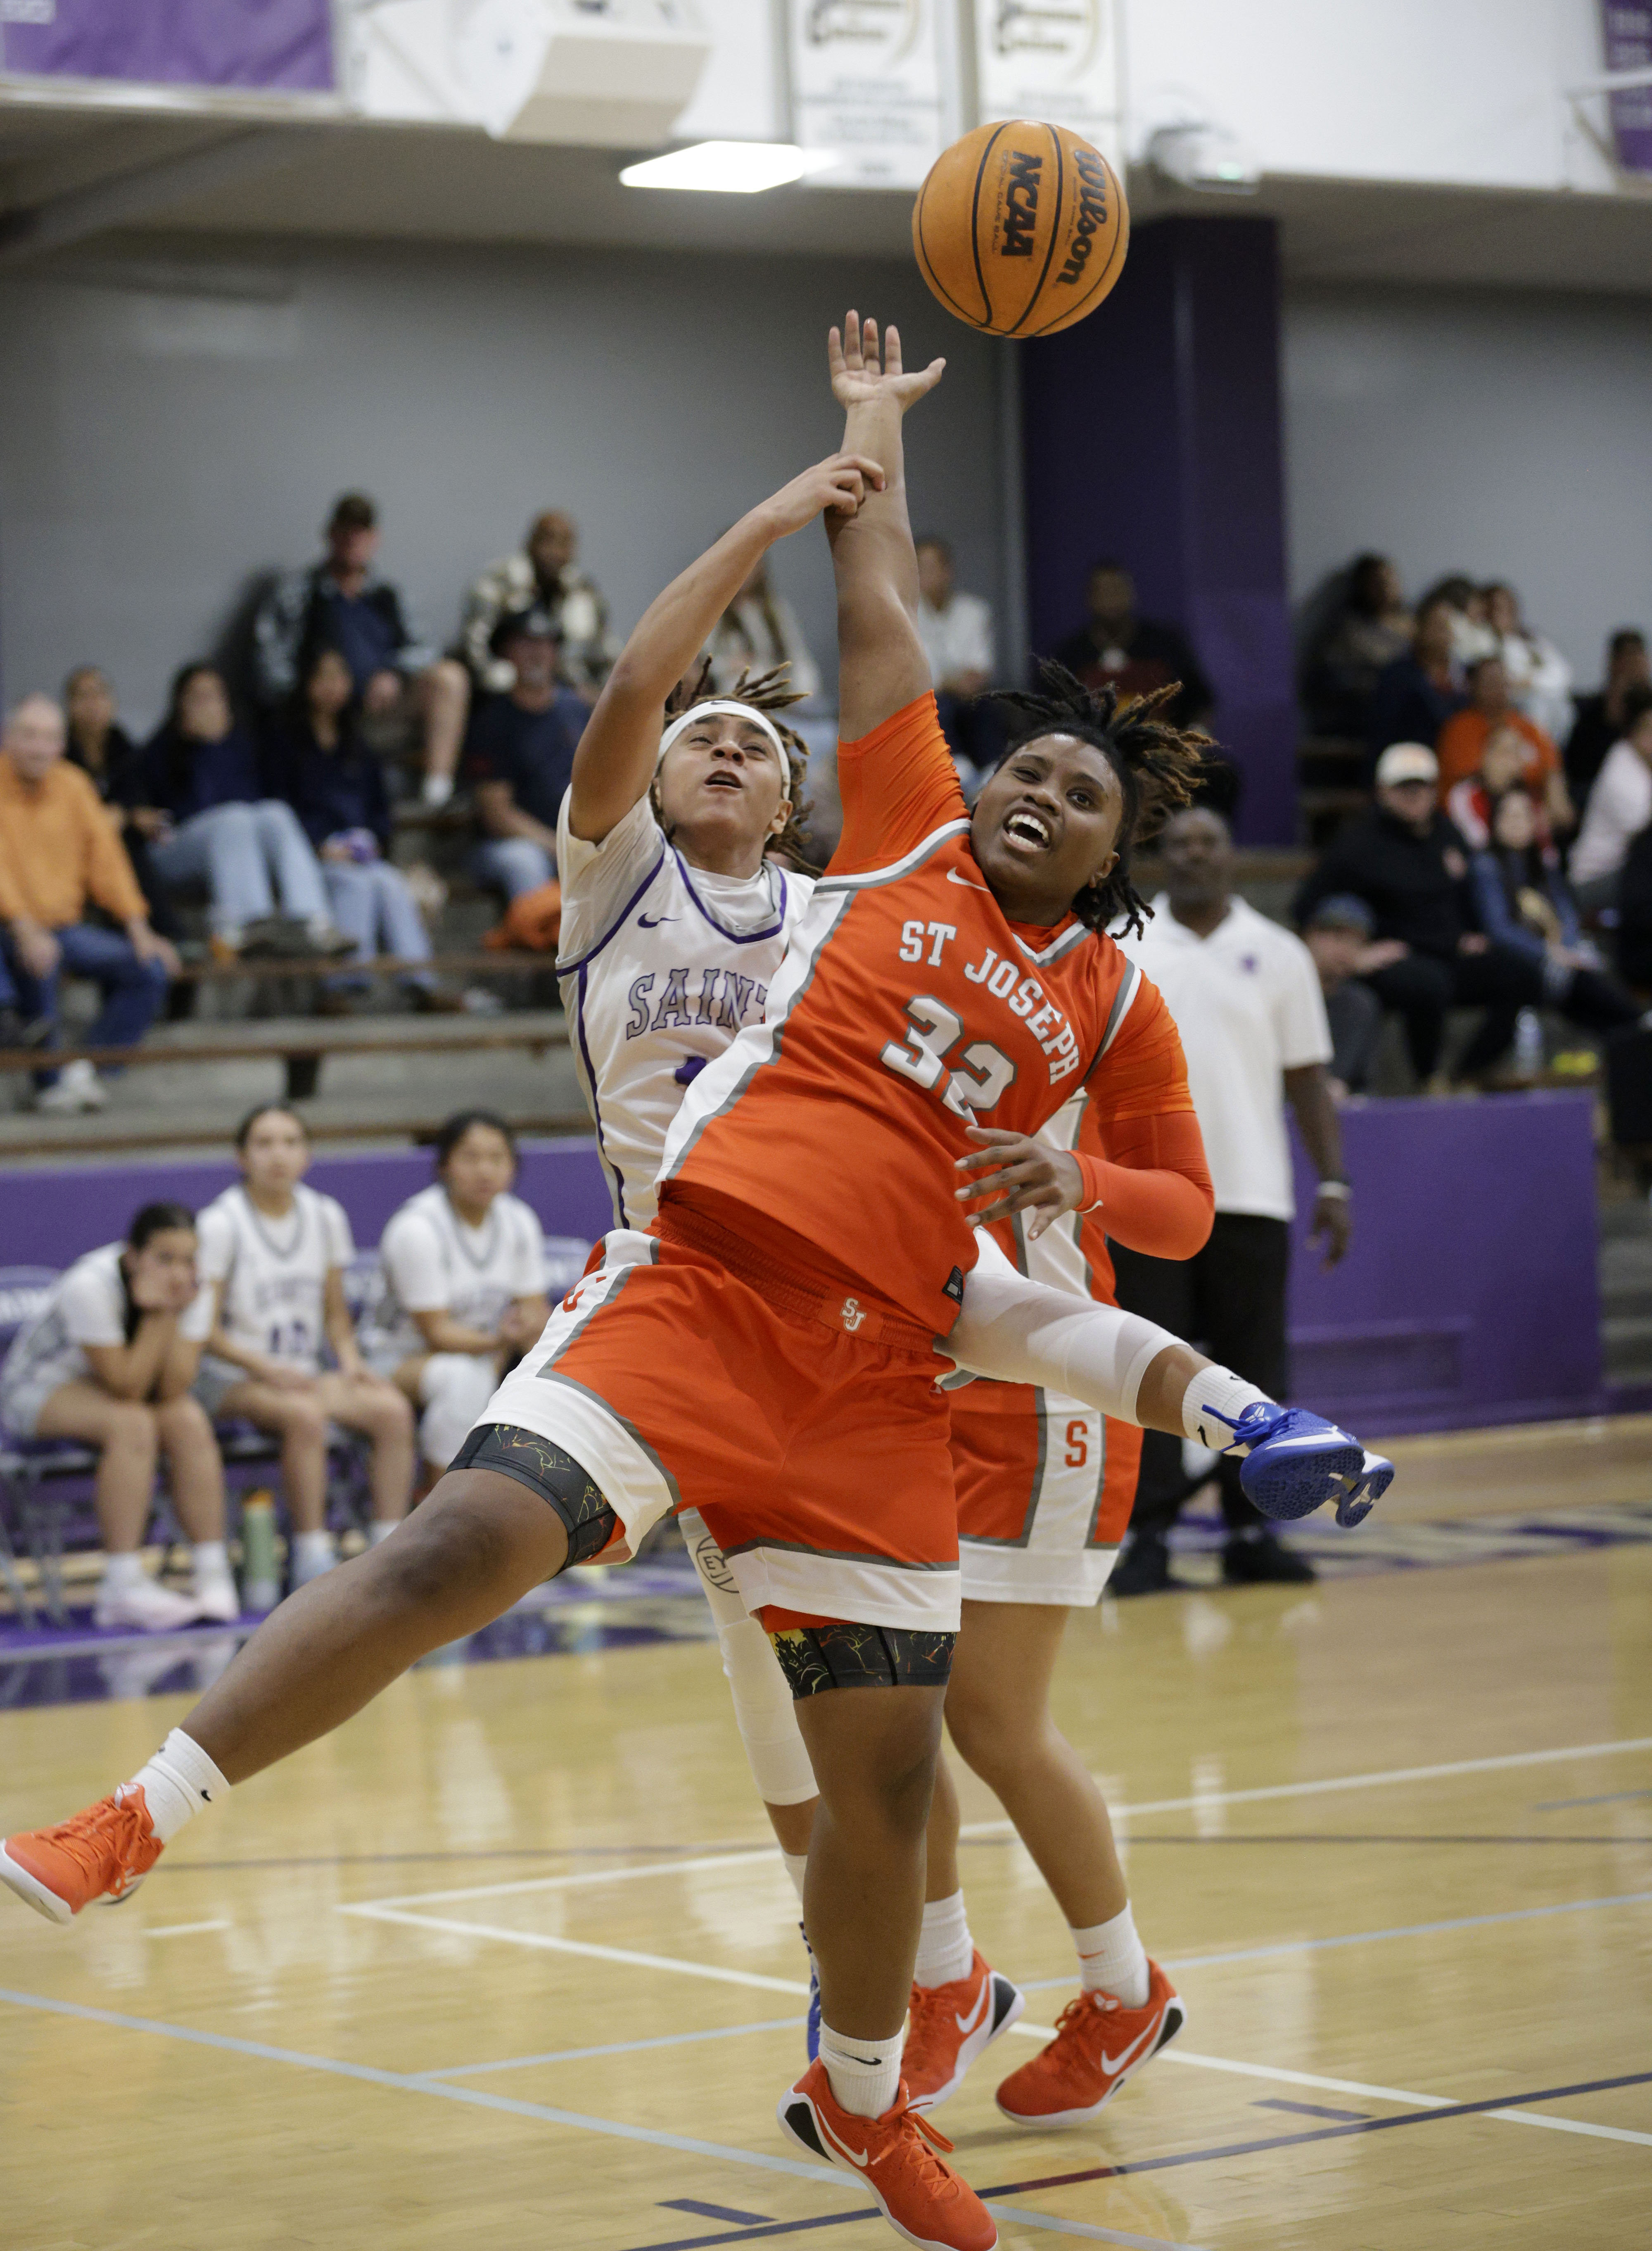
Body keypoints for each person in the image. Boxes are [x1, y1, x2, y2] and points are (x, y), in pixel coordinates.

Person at [1, 320, 1391, 2250]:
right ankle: (140, 1811)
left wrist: (1231, 1393)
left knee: (875, 1791)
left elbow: (1070, 1273)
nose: (1034, 787)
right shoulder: (886, 854)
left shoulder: (1102, 997)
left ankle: (867, 2092)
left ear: (1110, 853)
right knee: (451, 1551)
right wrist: (863, 438)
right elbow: (872, 614)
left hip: (885, 1366)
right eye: (1020, 763)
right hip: (698, 1284)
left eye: (1075, 789)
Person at [1111, 807, 1348, 1595]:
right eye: (1179, 844)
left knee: (1254, 1372)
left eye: (1208, 842)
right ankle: (1148, 1536)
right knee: (1148, 1370)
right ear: (1162, 859)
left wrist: (1334, 1180)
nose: (1193, 854)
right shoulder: (1123, 942)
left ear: (1232, 855)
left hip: (1250, 1191)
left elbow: (1307, 1077)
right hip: (1147, 1194)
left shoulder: (1280, 952)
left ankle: (1252, 1531)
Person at [193, 1105, 414, 1590]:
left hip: (300, 1373)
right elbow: (204, 1330)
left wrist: (351, 1362)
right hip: (229, 1377)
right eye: (265, 1143)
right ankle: (312, 1554)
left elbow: (336, 1314)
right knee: (304, 1416)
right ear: (241, 1157)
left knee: (391, 1410)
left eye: (291, 1142)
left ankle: (390, 1549)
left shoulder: (325, 1214)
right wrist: (264, 1368)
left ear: (307, 1155)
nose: (279, 1155)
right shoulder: (220, 1223)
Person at [0, 1203, 238, 1629]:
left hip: (113, 1390)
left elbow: (173, 1388)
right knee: (132, 1424)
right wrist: (159, 1314)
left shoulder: (194, 1287)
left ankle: (212, 1572)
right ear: (133, 1258)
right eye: (164, 1259)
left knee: (187, 1418)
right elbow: (127, 1387)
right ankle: (121, 1584)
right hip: (33, 1390)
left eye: (187, 1259)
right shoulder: (89, 1285)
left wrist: (167, 1309)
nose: (178, 1273)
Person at [1294, 742, 1550, 1085]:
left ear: (1435, 790)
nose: (1414, 795)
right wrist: (1355, 955)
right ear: (1383, 791)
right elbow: (1306, 906)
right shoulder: (1357, 845)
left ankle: (1468, 1071)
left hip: (1452, 951)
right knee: (1429, 984)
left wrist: (1473, 933)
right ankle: (1428, 1078)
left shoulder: (1448, 834)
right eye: (1404, 786)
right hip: (1395, 956)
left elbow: (1469, 894)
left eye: (1423, 785)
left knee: (1524, 973)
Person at [0, 693, 176, 1115]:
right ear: (8, 739)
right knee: (42, 957)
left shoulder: (74, 785)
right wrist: (25, 928)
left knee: (150, 967)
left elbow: (107, 861)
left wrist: (138, 926)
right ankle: (49, 1082)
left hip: (64, 926)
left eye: (49, 738)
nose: (39, 747)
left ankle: (87, 1069)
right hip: (11, 925)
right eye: (29, 735)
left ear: (62, 745)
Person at [360, 1111, 549, 1480]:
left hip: (487, 1352)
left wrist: (528, 1341)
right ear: (445, 1165)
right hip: (395, 1357)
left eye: (497, 1158)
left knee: (554, 1373)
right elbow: (437, 1333)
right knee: (464, 1378)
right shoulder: (418, 1227)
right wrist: (499, 1343)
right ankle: (443, 1495)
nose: (485, 1170)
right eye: (471, 1157)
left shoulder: (519, 1219)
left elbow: (534, 1309)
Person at [265, 647, 453, 1012]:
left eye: (340, 676)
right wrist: (319, 845)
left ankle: (421, 983)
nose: (332, 686)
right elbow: (280, 807)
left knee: (390, 882)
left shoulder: (357, 742)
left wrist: (375, 841)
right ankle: (343, 986)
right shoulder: (284, 742)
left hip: (359, 851)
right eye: (323, 676)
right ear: (306, 683)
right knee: (356, 883)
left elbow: (379, 808)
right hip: (307, 856)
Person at [252, 493, 470, 807]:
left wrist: (395, 673)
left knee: (450, 677)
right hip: (321, 717)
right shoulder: (299, 593)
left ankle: (437, 792)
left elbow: (426, 648)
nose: (353, 540)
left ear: (374, 538)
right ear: (331, 534)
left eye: (362, 532)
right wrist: (313, 693)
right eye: (346, 531)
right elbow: (269, 667)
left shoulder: (387, 595)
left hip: (377, 712)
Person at [133, 664, 350, 962]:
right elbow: (184, 812)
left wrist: (219, 748)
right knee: (233, 818)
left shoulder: (241, 743)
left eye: (215, 696)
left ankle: (313, 921)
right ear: (180, 703)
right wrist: (202, 749)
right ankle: (248, 923)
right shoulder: (163, 749)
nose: (208, 706)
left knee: (275, 812)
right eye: (199, 697)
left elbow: (254, 803)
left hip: (235, 847)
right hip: (174, 852)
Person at [1469, 789, 1645, 1048]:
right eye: (1510, 816)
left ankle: (1631, 1036)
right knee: (1581, 984)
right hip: (1523, 960)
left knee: (1593, 974)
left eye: (1524, 816)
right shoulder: (1486, 866)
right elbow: (1500, 930)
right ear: (1495, 823)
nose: (1517, 824)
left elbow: (1567, 912)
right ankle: (1638, 1021)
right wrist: (1549, 952)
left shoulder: (1541, 864)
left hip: (1560, 955)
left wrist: (1567, 947)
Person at [466, 609, 590, 902]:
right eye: (525, 644)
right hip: (515, 843)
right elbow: (497, 814)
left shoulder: (577, 710)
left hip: (578, 837)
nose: (537, 653)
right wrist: (557, 847)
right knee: (524, 863)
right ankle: (536, 929)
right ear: (506, 653)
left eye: (546, 644)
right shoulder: (492, 721)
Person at [62, 666, 180, 940]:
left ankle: (159, 931)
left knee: (128, 841)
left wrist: (129, 815)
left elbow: (138, 799)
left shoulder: (125, 748)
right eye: (83, 696)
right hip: (75, 844)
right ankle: (153, 931)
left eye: (100, 694)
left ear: (112, 702)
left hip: (126, 842)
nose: (93, 704)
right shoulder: (61, 753)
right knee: (116, 840)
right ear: (70, 706)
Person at [459, 509, 619, 703]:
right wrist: (495, 677)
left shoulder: (582, 589)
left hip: (561, 690)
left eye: (565, 544)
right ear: (530, 543)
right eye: (548, 540)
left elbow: (605, 651)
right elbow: (474, 643)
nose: (555, 552)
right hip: (498, 687)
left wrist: (602, 690)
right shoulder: (500, 580)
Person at [1050, 560, 1212, 731]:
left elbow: (1199, 702)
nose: (1111, 599)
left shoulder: (1165, 646)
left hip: (1159, 744)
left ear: (1132, 594)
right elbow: (1052, 711)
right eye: (1104, 592)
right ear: (1089, 598)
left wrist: (1196, 732)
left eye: (1117, 590)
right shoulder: (1070, 656)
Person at [1436, 656, 1572, 834]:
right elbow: (1488, 778)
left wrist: (1556, 799)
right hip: (1471, 819)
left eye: (1502, 681)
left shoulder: (1527, 726)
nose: (1498, 688)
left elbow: (1551, 768)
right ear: (1473, 685)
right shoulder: (1460, 727)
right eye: (1490, 682)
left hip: (1527, 820)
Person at [914, 535, 998, 789]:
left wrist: (950, 682)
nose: (927, 575)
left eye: (933, 567)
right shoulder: (907, 615)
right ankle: (957, 768)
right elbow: (920, 678)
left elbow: (980, 672)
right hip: (932, 702)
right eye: (920, 568)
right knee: (938, 705)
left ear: (948, 571)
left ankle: (993, 769)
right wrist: (950, 682)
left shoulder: (975, 611)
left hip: (970, 698)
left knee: (987, 704)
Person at [1301, 552, 1412, 736]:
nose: (1386, 589)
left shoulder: (1413, 623)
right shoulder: (1349, 632)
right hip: (1363, 719)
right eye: (1378, 583)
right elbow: (1330, 681)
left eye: (1391, 581)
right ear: (1363, 587)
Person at [1569, 686, 1652, 916]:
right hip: (1593, 882)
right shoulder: (1621, 768)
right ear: (1638, 734)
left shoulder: (1644, 765)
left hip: (1626, 873)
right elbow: (1646, 834)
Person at [705, 554, 823, 704]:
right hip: (739, 697)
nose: (745, 571)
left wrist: (803, 690)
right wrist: (728, 665)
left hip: (784, 694)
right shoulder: (714, 615)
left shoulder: (776, 610)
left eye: (752, 563)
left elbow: (797, 656)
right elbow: (706, 664)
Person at [1365, 597, 1465, 766]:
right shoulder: (1398, 675)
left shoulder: (1464, 676)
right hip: (1407, 764)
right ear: (1420, 629)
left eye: (1450, 627)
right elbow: (1383, 734)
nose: (1445, 633)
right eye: (1439, 626)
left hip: (1453, 765)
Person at [1302, 894, 1384, 1097]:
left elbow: (1354, 1081)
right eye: (1338, 938)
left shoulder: (1360, 1004)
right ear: (1310, 937)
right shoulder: (1283, 997)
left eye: (1356, 942)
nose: (1345, 950)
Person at [1566, 628, 1650, 808]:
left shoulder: (1648, 706)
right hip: (1596, 785)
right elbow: (1580, 764)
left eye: (1638, 659)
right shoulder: (1589, 710)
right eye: (1627, 660)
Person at [1483, 582, 1573, 747]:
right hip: (1516, 706)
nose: (1506, 615)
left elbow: (1563, 674)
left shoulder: (1534, 640)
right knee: (1537, 707)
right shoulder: (1487, 643)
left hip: (1549, 702)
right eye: (1499, 609)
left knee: (1565, 710)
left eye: (1510, 608)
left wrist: (1531, 681)